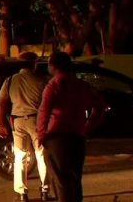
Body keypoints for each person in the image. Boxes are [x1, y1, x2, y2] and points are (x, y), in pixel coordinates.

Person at [37, 52, 106, 202]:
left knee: (61, 180)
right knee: (75, 179)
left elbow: (44, 111)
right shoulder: (81, 85)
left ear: (53, 66)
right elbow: (100, 107)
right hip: (77, 136)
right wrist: (88, 127)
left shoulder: (54, 85)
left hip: (57, 137)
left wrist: (41, 134)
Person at [0, 52, 50, 202]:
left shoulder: (10, 80)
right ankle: (45, 191)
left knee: (20, 157)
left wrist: (0, 124)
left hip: (18, 122)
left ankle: (22, 194)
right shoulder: (42, 80)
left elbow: (1, 104)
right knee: (41, 155)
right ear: (34, 63)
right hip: (37, 120)